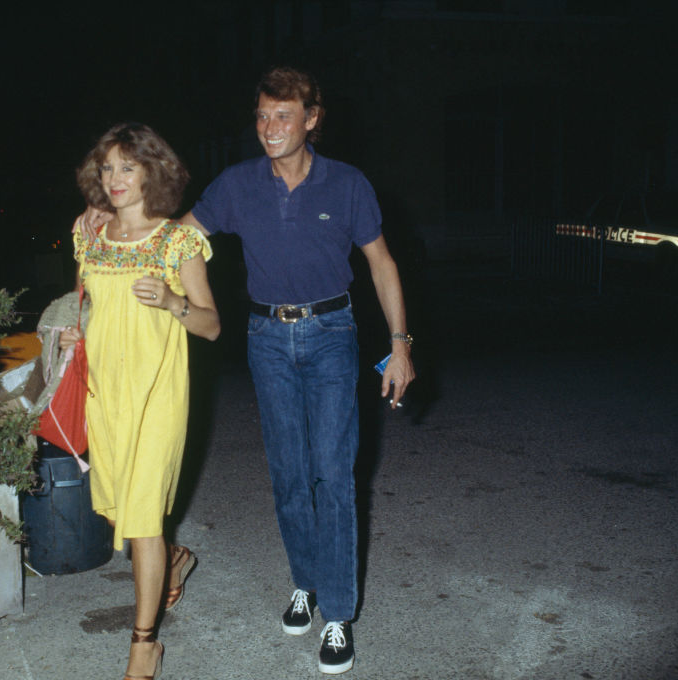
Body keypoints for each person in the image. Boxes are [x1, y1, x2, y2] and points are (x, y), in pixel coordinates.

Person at [79, 66, 415, 676]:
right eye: (261, 116)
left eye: (283, 116)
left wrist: (400, 345)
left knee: (333, 475)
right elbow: (169, 236)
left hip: (333, 333)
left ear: (311, 119)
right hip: (266, 336)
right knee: (288, 474)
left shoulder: (346, 184)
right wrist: (100, 214)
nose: (269, 128)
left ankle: (338, 614)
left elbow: (382, 264)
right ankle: (304, 585)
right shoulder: (237, 185)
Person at [62, 122, 220, 680]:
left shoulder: (178, 241)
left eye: (128, 166)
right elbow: (91, 309)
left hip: (158, 393)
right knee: (123, 515)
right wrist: (72, 334)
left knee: (144, 520)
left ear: (154, 171)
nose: (116, 178)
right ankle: (177, 561)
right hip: (106, 393)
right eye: (107, 167)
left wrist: (174, 301)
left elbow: (211, 326)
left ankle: (144, 644)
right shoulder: (90, 236)